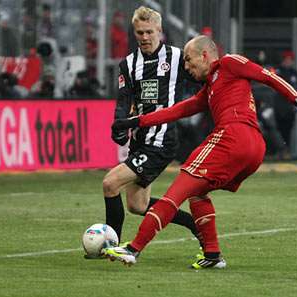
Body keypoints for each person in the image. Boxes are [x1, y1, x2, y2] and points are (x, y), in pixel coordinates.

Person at [106, 35, 297, 268]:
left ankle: (133, 249)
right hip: (253, 148)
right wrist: (138, 121)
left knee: (176, 191)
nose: (187, 67)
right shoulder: (211, 86)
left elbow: (266, 76)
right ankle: (212, 255)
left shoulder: (229, 62)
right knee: (197, 193)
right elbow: (180, 110)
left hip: (233, 137)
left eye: (189, 61)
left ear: (205, 55)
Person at [100, 6, 202, 259]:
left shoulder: (178, 57)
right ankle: (195, 225)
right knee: (138, 206)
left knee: (110, 183)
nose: (144, 37)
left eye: (149, 32)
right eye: (139, 33)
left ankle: (111, 245)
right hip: (141, 140)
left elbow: (203, 76)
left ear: (159, 31)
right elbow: (124, 100)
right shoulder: (129, 64)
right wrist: (119, 126)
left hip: (162, 140)